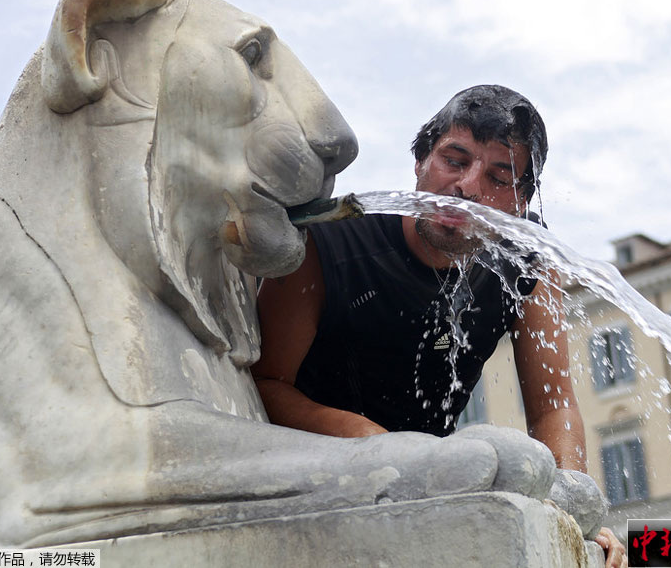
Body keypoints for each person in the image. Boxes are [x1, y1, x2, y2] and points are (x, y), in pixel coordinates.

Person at [252, 85, 626, 567]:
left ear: (520, 201)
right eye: (454, 160)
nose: (467, 186)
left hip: (438, 485)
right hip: (313, 479)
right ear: (420, 162)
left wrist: (572, 508)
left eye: (498, 176)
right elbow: (265, 383)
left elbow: (554, 407)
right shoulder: (331, 242)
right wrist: (377, 444)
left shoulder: (528, 260)